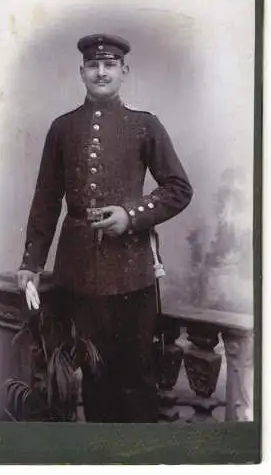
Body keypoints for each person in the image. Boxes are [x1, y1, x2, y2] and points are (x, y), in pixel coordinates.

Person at [17, 34, 193, 422]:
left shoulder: (144, 125)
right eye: (93, 66)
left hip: (133, 274)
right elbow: (46, 201)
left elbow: (179, 189)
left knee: (136, 377)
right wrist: (31, 262)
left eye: (109, 65)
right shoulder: (62, 129)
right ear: (82, 72)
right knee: (93, 377)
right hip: (77, 274)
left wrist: (131, 216)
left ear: (123, 72)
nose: (101, 72)